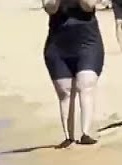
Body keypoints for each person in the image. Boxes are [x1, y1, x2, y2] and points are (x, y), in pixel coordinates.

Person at [42, 0, 104, 147]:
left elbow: (88, 6)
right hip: (58, 45)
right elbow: (50, 8)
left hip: (87, 42)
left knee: (86, 84)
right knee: (65, 92)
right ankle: (68, 137)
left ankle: (85, 133)